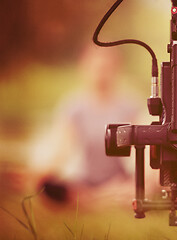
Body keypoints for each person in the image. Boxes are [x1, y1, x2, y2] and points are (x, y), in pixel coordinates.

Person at [30, 46, 143, 208]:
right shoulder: (74, 106)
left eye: (106, 68)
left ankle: (94, 200)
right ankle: (99, 200)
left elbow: (138, 152)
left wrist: (144, 178)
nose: (101, 74)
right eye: (97, 68)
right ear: (84, 68)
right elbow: (62, 151)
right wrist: (40, 173)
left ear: (116, 69)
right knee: (50, 186)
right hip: (85, 182)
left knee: (142, 186)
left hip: (118, 181)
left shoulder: (130, 106)